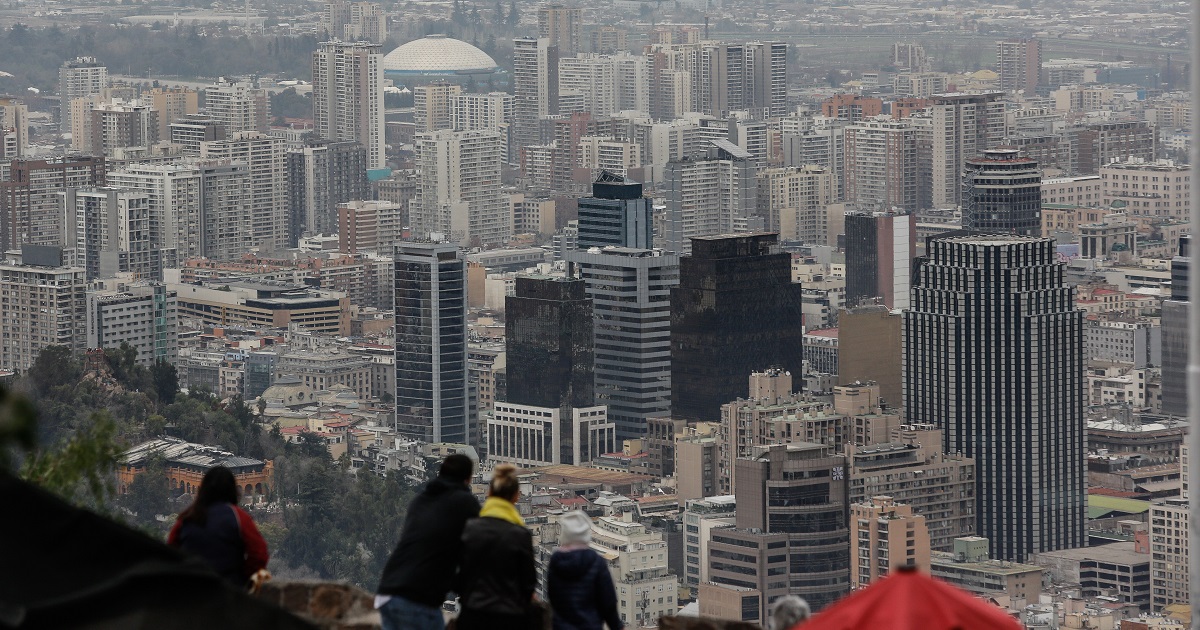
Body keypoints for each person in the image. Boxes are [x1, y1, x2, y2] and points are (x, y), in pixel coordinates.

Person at [376, 453, 480, 630]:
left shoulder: (420, 500)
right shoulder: (465, 503)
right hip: (417, 598)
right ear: (468, 478)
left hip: (388, 592)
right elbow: (476, 553)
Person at [455, 464, 537, 630]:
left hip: (472, 616)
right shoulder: (520, 535)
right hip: (508, 619)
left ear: (489, 493)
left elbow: (459, 575)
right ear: (516, 497)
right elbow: (528, 584)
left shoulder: (470, 528)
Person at [167, 466, 269, 587]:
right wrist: (243, 578)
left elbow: (169, 552)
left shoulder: (187, 517)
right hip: (227, 590)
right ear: (233, 491)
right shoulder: (238, 517)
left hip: (192, 590)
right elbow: (259, 554)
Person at [546, 511, 622, 630]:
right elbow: (608, 601)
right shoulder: (597, 561)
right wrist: (616, 626)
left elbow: (552, 596)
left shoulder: (555, 561)